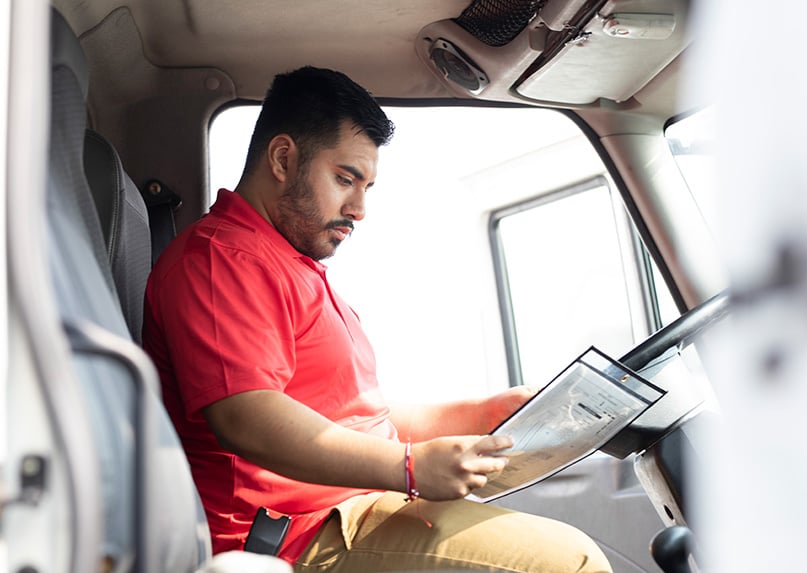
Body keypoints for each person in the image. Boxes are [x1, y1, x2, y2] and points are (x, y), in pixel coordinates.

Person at [143, 66, 612, 573]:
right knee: (572, 563)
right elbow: (246, 418)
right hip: (293, 536)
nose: (360, 208)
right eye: (345, 179)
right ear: (283, 159)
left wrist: (484, 412)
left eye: (367, 186)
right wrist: (409, 468)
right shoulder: (221, 259)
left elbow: (362, 419)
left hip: (350, 509)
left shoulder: (289, 263)